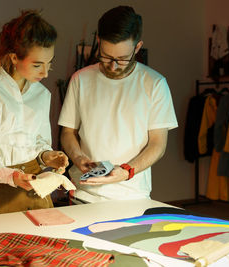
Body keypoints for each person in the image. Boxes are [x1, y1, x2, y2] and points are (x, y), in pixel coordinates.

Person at [58, 6, 178, 203]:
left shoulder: (155, 84)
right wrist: (78, 158)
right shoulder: (80, 79)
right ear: (98, 42)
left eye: (122, 59)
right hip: (83, 193)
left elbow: (158, 144)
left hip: (132, 196)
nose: (113, 66)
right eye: (106, 56)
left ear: (137, 47)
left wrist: (126, 171)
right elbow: (67, 132)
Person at [0, 10, 68, 216]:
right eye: (37, 65)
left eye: (49, 63)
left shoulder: (42, 94)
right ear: (15, 57)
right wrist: (11, 176)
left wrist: (46, 156)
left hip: (36, 190)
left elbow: (38, 141)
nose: (45, 73)